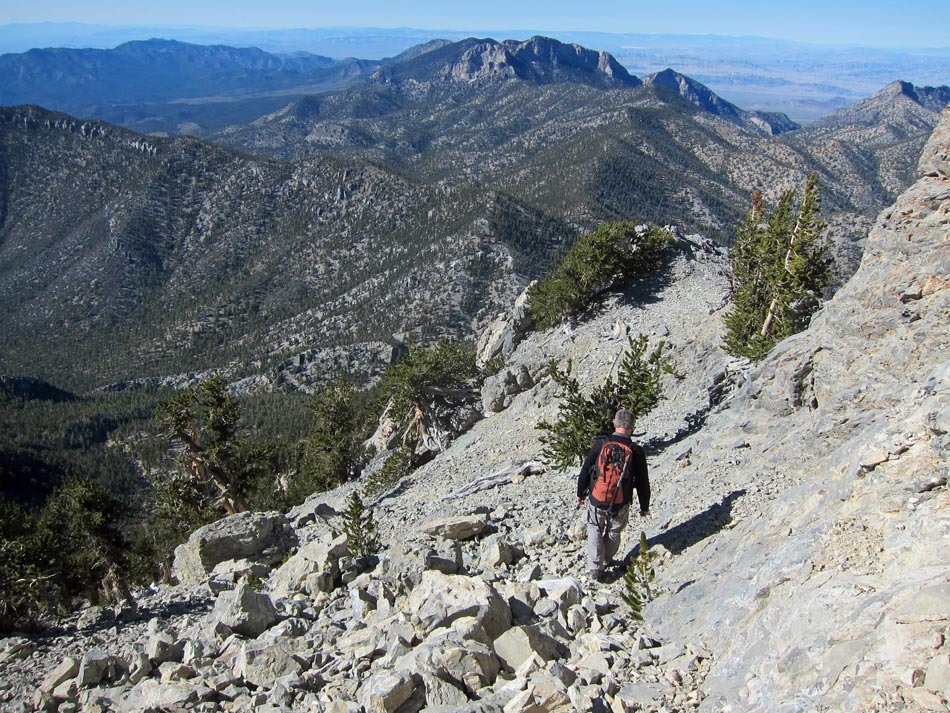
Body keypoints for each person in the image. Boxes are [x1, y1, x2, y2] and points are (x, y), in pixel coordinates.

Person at [576, 409, 650, 582]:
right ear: (632, 428)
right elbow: (642, 482)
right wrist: (644, 506)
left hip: (597, 497)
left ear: (614, 424)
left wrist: (581, 493)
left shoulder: (602, 443)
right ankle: (606, 559)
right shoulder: (635, 451)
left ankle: (595, 568)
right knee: (614, 530)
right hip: (620, 500)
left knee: (594, 527)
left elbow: (586, 469)